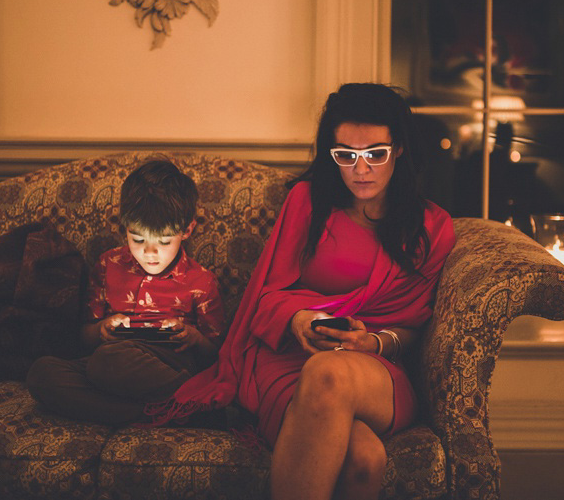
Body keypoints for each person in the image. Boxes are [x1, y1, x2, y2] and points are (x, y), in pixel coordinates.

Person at [148, 83, 456, 500]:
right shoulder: (308, 202)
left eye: (374, 154)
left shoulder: (432, 229)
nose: (360, 169)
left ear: (399, 149)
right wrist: (299, 319)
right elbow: (268, 294)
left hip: (378, 370)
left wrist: (373, 341)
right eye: (345, 155)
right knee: (363, 458)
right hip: (290, 358)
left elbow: (413, 327)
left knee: (329, 371)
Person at [26, 159, 225, 424]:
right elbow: (85, 336)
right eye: (138, 239)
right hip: (110, 358)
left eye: (164, 241)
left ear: (187, 230)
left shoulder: (201, 280)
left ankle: (190, 396)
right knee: (43, 373)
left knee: (108, 361)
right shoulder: (109, 264)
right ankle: (177, 411)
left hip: (166, 363)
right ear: (125, 228)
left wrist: (194, 338)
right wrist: (102, 330)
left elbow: (216, 353)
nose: (149, 253)